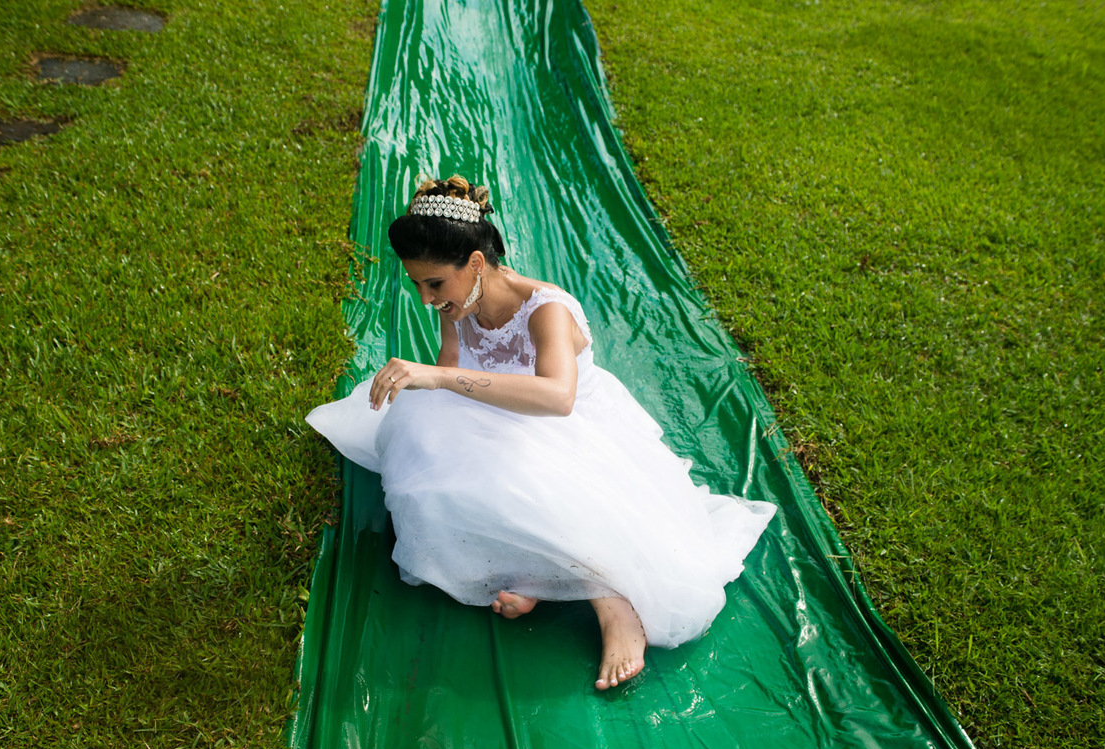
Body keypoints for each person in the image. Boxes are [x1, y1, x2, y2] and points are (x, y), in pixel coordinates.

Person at [307, 175, 777, 690]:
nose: (424, 298)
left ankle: (613, 605)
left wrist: (437, 378)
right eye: (416, 284)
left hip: (574, 430)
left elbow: (558, 398)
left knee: (532, 480)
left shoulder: (545, 307)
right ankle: (534, 572)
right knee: (423, 439)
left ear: (477, 264)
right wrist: (431, 387)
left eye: (435, 283)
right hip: (497, 418)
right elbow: (451, 377)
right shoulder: (456, 303)